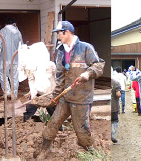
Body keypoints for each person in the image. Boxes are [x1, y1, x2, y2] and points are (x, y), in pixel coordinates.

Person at [36, 21, 105, 158]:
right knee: (53, 124)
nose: (58, 36)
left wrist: (88, 73)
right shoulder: (61, 51)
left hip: (81, 98)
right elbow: (60, 77)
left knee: (82, 131)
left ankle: (94, 153)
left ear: (67, 32)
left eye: (59, 33)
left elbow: (99, 64)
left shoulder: (85, 48)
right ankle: (46, 149)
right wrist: (54, 97)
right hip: (65, 98)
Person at [0, 17, 23, 99]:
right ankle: (14, 94)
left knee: (2, 74)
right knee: (14, 77)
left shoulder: (2, 31)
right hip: (16, 59)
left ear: (5, 24)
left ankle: (7, 92)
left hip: (5, 59)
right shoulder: (18, 32)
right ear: (14, 23)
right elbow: (21, 46)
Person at [111, 78, 122, 143]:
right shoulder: (116, 82)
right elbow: (118, 94)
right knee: (114, 120)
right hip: (113, 106)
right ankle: (113, 135)